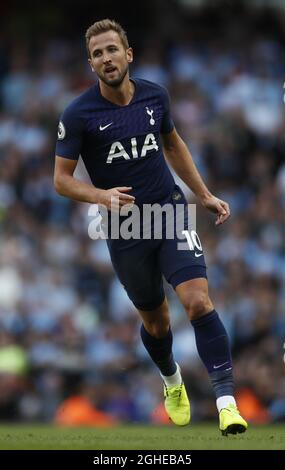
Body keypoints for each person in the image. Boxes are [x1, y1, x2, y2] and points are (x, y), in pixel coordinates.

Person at [54, 18, 248, 435]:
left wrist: (204, 193)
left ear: (129, 54)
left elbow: (173, 144)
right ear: (91, 64)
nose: (106, 58)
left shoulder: (155, 97)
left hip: (170, 212)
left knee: (197, 302)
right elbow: (61, 180)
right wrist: (100, 195)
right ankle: (172, 381)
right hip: (125, 228)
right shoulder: (78, 114)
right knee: (156, 323)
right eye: (97, 53)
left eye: (112, 50)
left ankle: (227, 403)